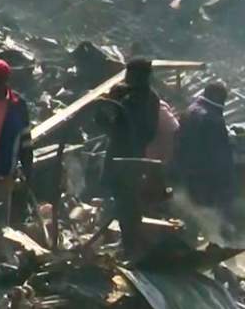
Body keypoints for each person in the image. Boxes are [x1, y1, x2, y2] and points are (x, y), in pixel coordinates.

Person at [100, 58, 162, 253]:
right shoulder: (153, 98)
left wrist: (111, 99)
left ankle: (128, 245)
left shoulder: (125, 98)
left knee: (123, 201)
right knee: (129, 201)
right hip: (137, 157)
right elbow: (151, 132)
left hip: (120, 157)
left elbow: (102, 122)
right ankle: (128, 243)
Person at [173, 81, 237, 213]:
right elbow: (220, 157)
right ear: (217, 97)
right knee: (210, 217)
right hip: (206, 179)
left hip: (186, 175)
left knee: (193, 216)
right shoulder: (213, 119)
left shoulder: (189, 111)